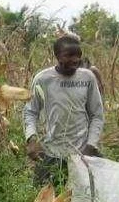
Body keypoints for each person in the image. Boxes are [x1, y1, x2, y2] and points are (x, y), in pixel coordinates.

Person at [24, 36, 105, 187]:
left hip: (83, 152)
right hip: (52, 152)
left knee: (93, 194)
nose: (75, 60)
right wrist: (31, 139)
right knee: (43, 195)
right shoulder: (43, 79)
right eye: (69, 55)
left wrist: (90, 146)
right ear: (57, 56)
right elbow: (30, 112)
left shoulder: (88, 78)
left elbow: (97, 115)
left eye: (78, 55)